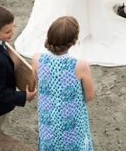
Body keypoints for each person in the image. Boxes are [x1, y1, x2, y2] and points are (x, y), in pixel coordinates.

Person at [32, 16, 94, 151]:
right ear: (74, 40)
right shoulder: (80, 65)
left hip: (48, 122)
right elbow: (89, 96)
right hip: (72, 123)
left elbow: (38, 82)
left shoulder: (37, 59)